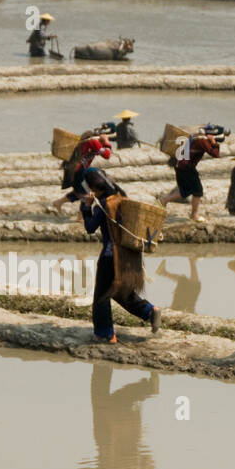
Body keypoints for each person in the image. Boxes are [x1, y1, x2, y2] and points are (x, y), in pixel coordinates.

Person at [80, 167, 161, 343]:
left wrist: (86, 207)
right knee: (119, 291)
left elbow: (90, 228)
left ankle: (105, 334)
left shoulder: (103, 205)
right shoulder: (121, 197)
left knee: (101, 296)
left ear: (93, 188)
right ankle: (149, 311)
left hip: (110, 256)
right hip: (127, 253)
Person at [160, 125, 220, 223]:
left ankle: (165, 200)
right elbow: (215, 154)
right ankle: (194, 215)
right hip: (187, 168)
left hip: (180, 166)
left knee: (185, 191)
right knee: (198, 190)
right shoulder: (202, 141)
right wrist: (213, 142)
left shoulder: (194, 138)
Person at [48, 132, 112, 213]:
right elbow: (107, 155)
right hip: (77, 171)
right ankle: (81, 217)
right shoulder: (93, 142)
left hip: (73, 170)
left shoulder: (86, 142)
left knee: (80, 191)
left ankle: (58, 202)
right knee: (87, 194)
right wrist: (106, 141)